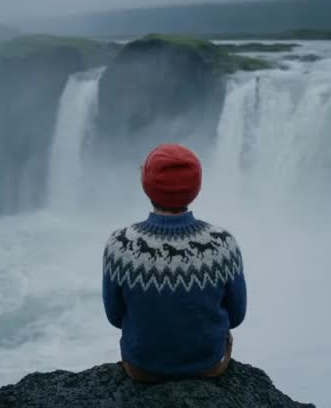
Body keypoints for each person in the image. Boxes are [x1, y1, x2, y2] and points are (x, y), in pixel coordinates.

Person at [102, 143, 247, 383]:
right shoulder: (223, 243)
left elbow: (115, 316)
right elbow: (237, 316)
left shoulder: (120, 244)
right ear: (196, 188)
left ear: (147, 185)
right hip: (209, 365)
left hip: (142, 369)